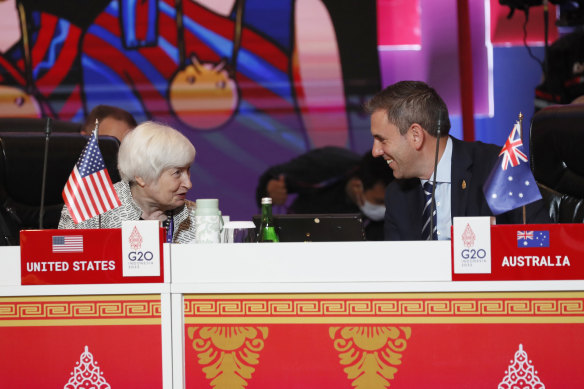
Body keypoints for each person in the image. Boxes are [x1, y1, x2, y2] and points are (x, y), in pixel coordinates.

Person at [365, 80, 550, 241]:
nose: (375, 151)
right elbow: (398, 268)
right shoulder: (397, 195)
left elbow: (542, 239)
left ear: (416, 135)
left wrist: (495, 236)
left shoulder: (500, 166)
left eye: (382, 139)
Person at [59, 121, 197, 243]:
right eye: (177, 173)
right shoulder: (88, 211)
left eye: (188, 170)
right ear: (141, 176)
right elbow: (65, 263)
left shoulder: (201, 218)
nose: (188, 184)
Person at [255, 147, 393, 240]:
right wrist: (270, 190)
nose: (385, 209)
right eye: (379, 201)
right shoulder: (326, 163)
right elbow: (273, 176)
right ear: (357, 186)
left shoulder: (401, 191)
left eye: (389, 202)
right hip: (301, 240)